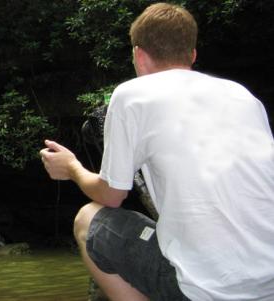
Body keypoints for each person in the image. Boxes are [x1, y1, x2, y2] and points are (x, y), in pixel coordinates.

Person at [39, 3, 274, 300]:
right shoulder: (242, 96)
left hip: (205, 290)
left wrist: (72, 167)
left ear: (138, 54)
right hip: (269, 282)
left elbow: (112, 195)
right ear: (192, 55)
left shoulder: (131, 95)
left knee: (88, 218)